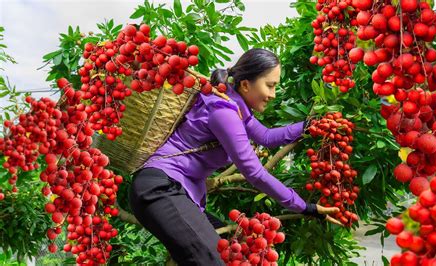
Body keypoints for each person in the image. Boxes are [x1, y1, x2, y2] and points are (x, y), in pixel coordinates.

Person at [128, 48, 341, 265]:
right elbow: (255, 173)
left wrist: (308, 125)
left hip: (174, 191)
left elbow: (266, 137)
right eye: (270, 85)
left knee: (230, 250)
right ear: (246, 84)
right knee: (215, 260)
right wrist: (305, 207)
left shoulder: (235, 108)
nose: (273, 94)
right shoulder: (224, 111)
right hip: (160, 190)